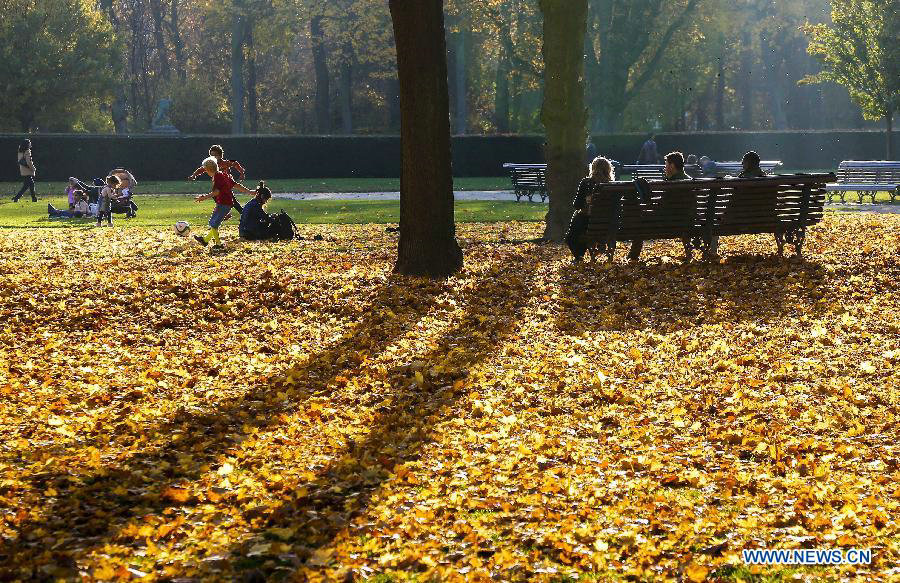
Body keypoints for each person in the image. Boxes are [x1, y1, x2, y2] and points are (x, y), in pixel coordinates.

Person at [628, 151, 692, 262]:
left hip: (668, 223)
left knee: (640, 223)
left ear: (672, 166)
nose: (665, 168)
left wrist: (649, 207)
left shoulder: (672, 184)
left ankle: (633, 256)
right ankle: (689, 254)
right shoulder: (690, 181)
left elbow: (662, 207)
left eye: (666, 165)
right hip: (687, 222)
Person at [194, 157, 253, 249]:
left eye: (205, 170)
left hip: (224, 204)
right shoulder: (224, 175)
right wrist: (250, 192)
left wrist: (203, 198)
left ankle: (218, 244)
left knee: (213, 223)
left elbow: (216, 192)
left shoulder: (217, 176)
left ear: (208, 169)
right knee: (214, 223)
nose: (206, 172)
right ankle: (205, 240)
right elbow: (236, 185)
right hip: (226, 203)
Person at [566, 157, 615, 262]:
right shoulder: (613, 186)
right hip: (609, 224)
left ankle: (579, 256)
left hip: (588, 223)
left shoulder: (586, 183)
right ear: (609, 169)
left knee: (572, 235)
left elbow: (577, 205)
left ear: (593, 168)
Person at [189, 145, 246, 213]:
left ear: (220, 155)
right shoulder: (211, 165)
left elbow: (235, 163)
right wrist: (193, 175)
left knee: (230, 200)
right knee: (220, 197)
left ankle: (239, 213)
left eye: (215, 155)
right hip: (219, 185)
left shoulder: (225, 163)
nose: (213, 157)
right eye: (211, 155)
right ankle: (237, 213)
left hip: (227, 183)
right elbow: (200, 170)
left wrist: (242, 173)